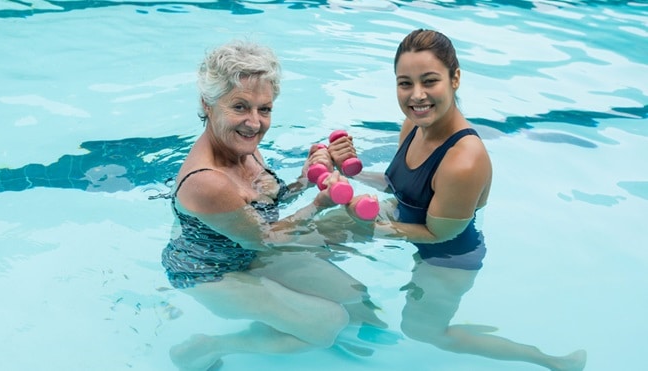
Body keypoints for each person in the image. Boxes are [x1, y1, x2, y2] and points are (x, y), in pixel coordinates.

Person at [326, 29, 587, 371]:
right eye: (405, 83)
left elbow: (441, 234)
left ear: (455, 79)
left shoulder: (463, 161)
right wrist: (350, 172)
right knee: (319, 235)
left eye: (429, 81)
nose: (416, 96)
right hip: (410, 220)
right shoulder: (414, 125)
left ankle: (546, 360)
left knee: (421, 331)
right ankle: (354, 309)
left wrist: (375, 228)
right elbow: (397, 183)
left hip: (449, 257)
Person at [161, 39, 385, 371]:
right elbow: (264, 238)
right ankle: (210, 346)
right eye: (239, 107)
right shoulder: (207, 181)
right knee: (329, 324)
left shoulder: (242, 145)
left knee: (357, 296)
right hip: (212, 273)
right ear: (208, 104)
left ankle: (278, 320)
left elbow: (269, 201)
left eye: (264, 109)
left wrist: (305, 179)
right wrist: (320, 203)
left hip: (250, 252)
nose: (254, 122)